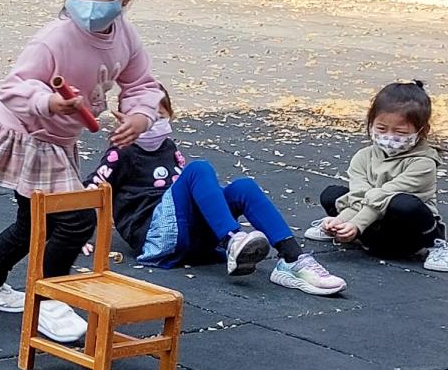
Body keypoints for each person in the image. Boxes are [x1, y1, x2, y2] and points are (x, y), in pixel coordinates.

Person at [0, 0, 164, 343]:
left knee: (34, 223)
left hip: (56, 139)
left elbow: (140, 84)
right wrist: (48, 101)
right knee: (76, 219)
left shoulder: (125, 36)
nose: (90, 2)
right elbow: (13, 88)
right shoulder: (55, 38)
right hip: (28, 134)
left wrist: (140, 116)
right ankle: (48, 300)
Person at [91, 89, 345, 295]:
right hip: (156, 237)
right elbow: (92, 187)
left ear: (170, 116)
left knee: (243, 187)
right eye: (145, 117)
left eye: (160, 116)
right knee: (198, 169)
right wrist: (77, 232)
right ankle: (231, 239)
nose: (152, 124)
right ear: (123, 120)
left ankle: (293, 260)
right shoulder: (121, 151)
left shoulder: (168, 148)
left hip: (190, 235)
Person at [316, 78, 448, 271]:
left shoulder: (423, 164)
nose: (389, 137)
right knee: (332, 194)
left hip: (408, 231)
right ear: (371, 123)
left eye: (400, 132)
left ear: (422, 131)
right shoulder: (363, 156)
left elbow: (383, 197)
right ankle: (347, 233)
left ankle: (436, 244)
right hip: (377, 223)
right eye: (381, 128)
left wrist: (356, 224)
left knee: (402, 203)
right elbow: (359, 195)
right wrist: (341, 221)